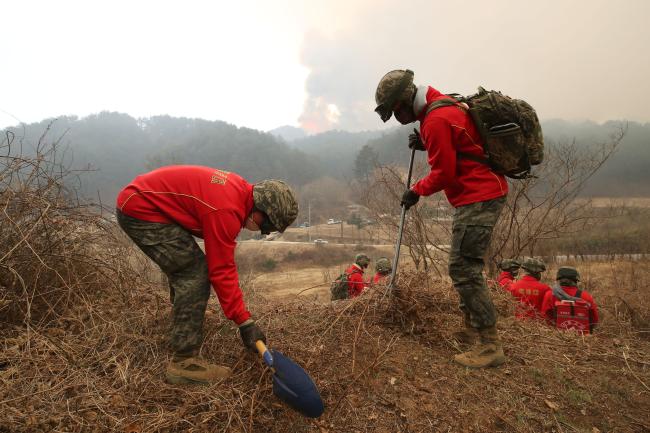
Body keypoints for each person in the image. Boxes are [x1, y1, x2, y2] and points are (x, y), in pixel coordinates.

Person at [374, 69, 509, 368]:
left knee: (463, 268)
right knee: (464, 264)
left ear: (407, 99)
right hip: (482, 191)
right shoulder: (441, 105)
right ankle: (472, 330)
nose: (397, 117)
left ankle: (489, 345)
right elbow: (462, 144)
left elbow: (444, 173)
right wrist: (426, 140)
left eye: (396, 110)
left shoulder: (434, 119)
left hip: (479, 194)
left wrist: (415, 191)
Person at [115, 165, 298, 384]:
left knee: (187, 264)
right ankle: (184, 362)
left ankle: (183, 324)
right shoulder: (225, 211)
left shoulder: (240, 192)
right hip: (140, 210)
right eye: (267, 225)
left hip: (145, 202)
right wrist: (244, 322)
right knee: (194, 273)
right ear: (261, 208)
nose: (264, 231)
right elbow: (221, 271)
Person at [540, 266, 599, 332]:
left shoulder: (549, 294)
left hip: (556, 336)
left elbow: (544, 317)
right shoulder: (586, 296)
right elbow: (594, 320)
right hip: (581, 337)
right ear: (576, 280)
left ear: (559, 279)